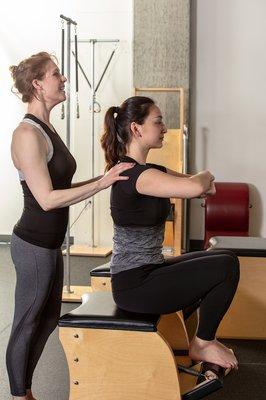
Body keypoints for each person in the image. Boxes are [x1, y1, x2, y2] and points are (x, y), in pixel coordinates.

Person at [6, 52, 134, 400]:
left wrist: (109, 176)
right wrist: (100, 184)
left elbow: (62, 187)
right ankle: (20, 395)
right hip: (32, 244)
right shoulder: (26, 134)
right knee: (26, 323)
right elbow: (47, 199)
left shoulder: (47, 129)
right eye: (56, 74)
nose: (63, 79)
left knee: (47, 321)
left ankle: (25, 389)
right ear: (37, 84)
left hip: (49, 243)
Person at [101, 96, 240, 371]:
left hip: (150, 270)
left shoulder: (150, 171)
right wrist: (202, 177)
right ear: (137, 129)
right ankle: (203, 342)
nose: (164, 128)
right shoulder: (134, 176)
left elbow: (203, 186)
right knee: (226, 265)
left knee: (221, 255)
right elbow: (196, 186)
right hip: (135, 284)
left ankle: (202, 339)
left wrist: (199, 181)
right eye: (158, 121)